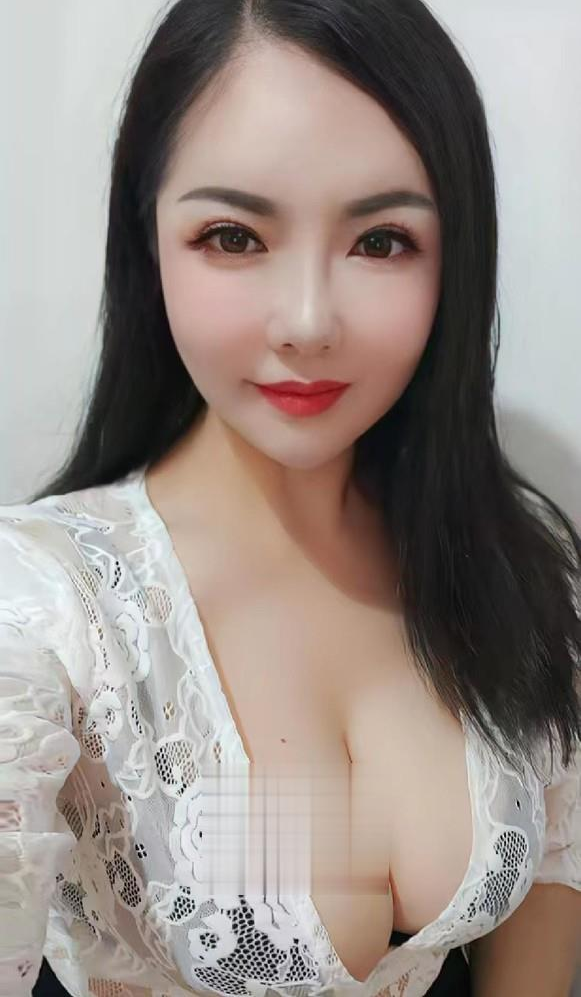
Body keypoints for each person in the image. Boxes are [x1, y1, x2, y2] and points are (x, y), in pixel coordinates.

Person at [1, 1, 580, 995]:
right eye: (233, 236)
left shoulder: (512, 554)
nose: (307, 322)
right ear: (147, 242)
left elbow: (554, 871)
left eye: (381, 241)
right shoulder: (40, 611)